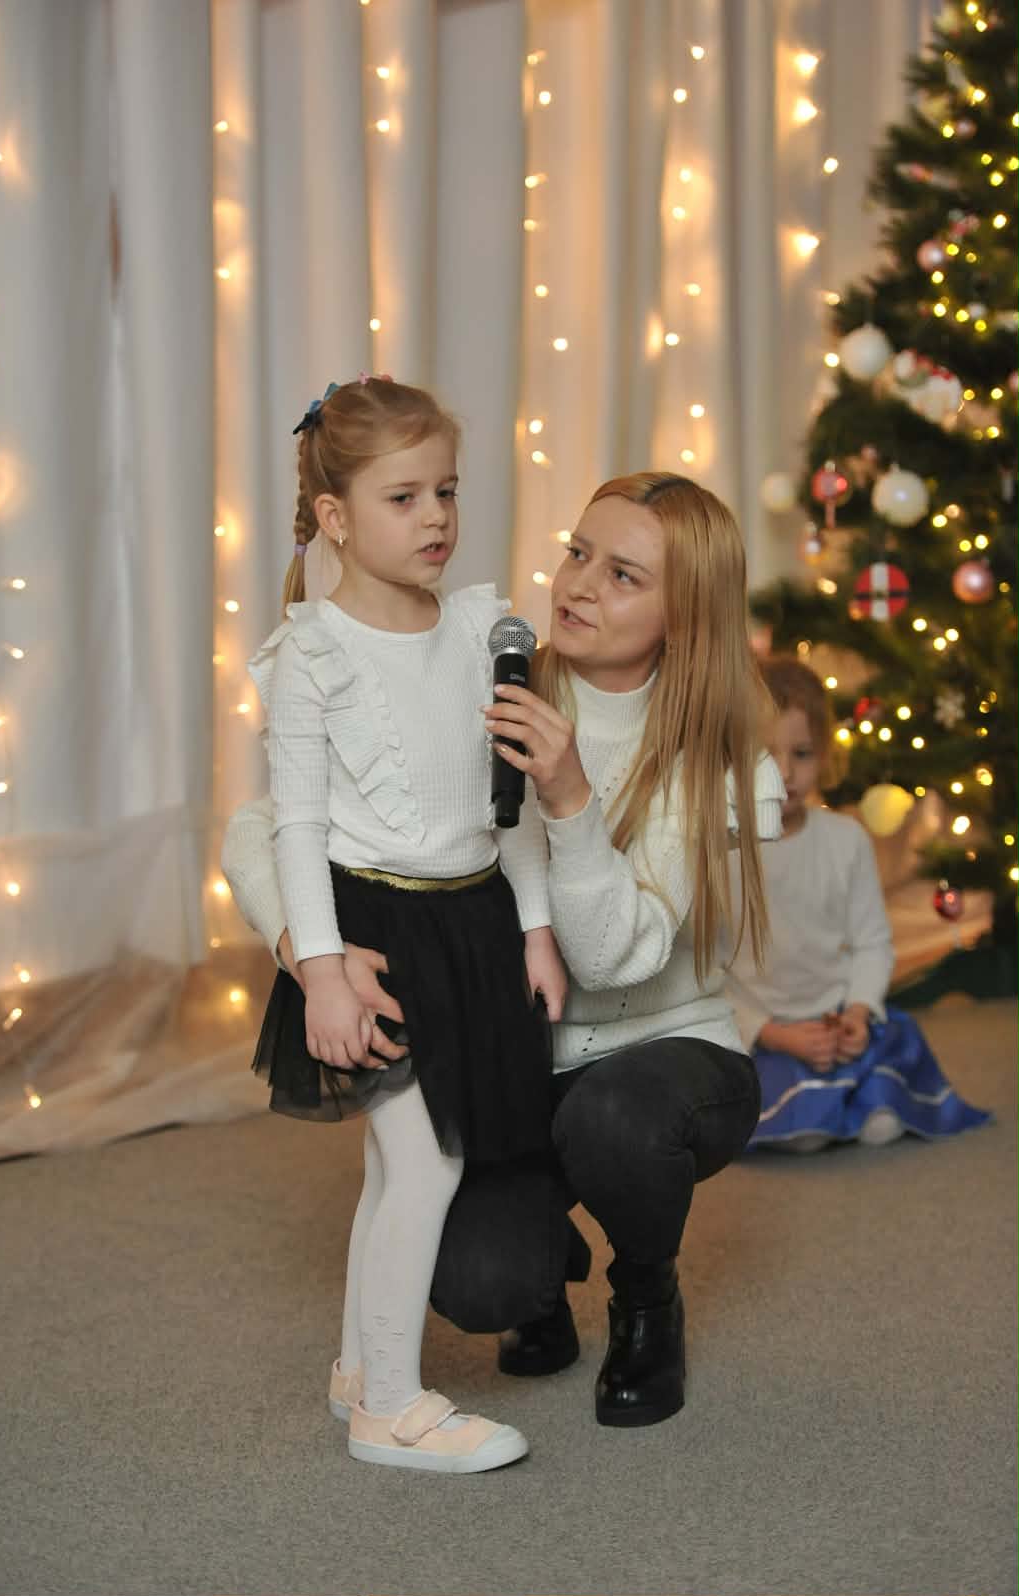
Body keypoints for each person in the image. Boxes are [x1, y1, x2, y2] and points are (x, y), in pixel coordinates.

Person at [224, 470, 787, 1429]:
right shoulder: (482, 678)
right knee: (479, 1279)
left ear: (686, 614)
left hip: (667, 1055)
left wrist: (569, 800)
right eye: (578, 553)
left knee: (615, 1123)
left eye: (622, 576)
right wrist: (309, 951)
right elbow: (259, 826)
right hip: (517, 1061)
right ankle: (542, 1266)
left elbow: (609, 962)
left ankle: (646, 1291)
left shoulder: (715, 759)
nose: (577, 586)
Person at [243, 374, 567, 1474]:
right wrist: (323, 972)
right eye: (404, 497)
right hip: (375, 934)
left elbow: (510, 803)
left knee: (402, 1168)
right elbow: (294, 829)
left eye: (447, 491)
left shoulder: (478, 627)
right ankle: (389, 1406)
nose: (436, 517)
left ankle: (356, 1369)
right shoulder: (313, 655)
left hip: (473, 923)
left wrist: (534, 928)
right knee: (423, 1166)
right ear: (335, 517)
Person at [725, 655, 991, 1152]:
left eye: (802, 753)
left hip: (834, 1018)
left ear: (825, 754)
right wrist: (775, 1035)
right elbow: (708, 974)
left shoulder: (846, 839)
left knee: (891, 1071)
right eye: (765, 754)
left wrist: (859, 1013)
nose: (785, 773)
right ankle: (832, 1108)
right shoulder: (724, 850)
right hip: (767, 1033)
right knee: (800, 1130)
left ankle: (851, 1100)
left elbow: (872, 942)